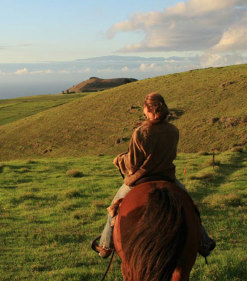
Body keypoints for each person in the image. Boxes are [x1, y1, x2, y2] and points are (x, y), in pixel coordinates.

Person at [91, 92, 215, 259]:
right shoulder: (173, 130)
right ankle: (204, 241)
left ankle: (105, 246)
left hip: (141, 180)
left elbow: (132, 165)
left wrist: (119, 159)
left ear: (147, 108)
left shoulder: (140, 133)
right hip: (168, 178)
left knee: (113, 208)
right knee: (190, 207)